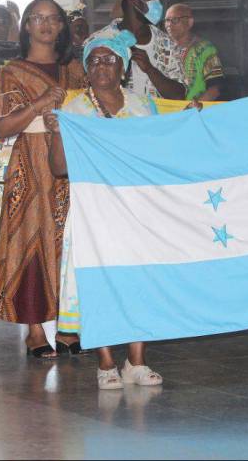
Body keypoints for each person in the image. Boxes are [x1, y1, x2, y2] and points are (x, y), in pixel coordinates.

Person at [45, 33, 163, 389]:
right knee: (96, 284)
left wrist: (188, 121)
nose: (101, 66)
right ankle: (106, 362)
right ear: (85, 68)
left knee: (136, 282)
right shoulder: (74, 109)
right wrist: (57, 133)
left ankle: (137, 362)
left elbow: (160, 151)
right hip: (92, 212)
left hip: (135, 210)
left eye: (109, 59)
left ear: (123, 67)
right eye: (93, 60)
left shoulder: (143, 106)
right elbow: (59, 168)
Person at [0, 0, 84, 358]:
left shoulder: (75, 69)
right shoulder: (12, 71)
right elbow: (0, 128)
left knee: (72, 241)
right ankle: (35, 330)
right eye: (37, 18)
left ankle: (70, 326)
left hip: (70, 164)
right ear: (26, 25)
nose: (45, 25)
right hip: (30, 164)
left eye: (52, 19)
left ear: (61, 26)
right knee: (30, 241)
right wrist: (38, 105)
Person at [87, 0, 187, 100]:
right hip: (118, 119)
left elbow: (179, 95)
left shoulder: (166, 43)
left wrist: (150, 69)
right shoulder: (100, 42)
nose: (158, 5)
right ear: (133, 1)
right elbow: (90, 92)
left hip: (158, 120)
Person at [165, 3, 224, 100]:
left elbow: (215, 89)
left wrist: (192, 110)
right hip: (166, 111)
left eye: (175, 20)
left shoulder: (205, 49)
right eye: (167, 20)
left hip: (195, 111)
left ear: (189, 22)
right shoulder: (162, 47)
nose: (169, 25)